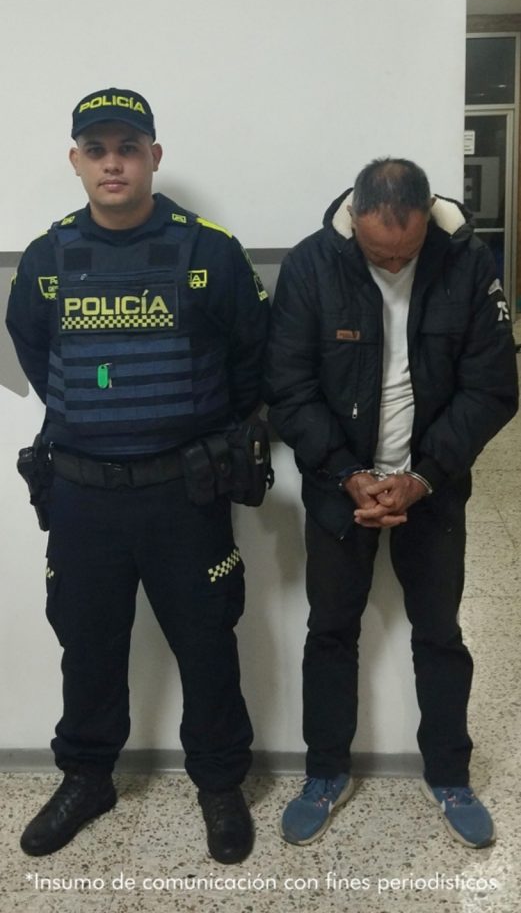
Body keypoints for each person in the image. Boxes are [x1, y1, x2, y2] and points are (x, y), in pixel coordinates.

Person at [6, 87, 270, 863]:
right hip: (83, 495)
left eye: (128, 148)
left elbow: (251, 361)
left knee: (207, 642)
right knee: (86, 644)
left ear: (154, 156)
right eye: (97, 150)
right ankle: (88, 777)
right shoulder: (48, 257)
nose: (112, 163)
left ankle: (219, 785)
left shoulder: (209, 250)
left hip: (182, 492)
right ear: (76, 162)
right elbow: (32, 348)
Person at [263, 158, 518, 849]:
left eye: (404, 254)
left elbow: (493, 387)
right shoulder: (312, 266)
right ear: (354, 220)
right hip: (337, 487)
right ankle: (323, 774)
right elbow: (286, 387)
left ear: (424, 221)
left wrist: (424, 475)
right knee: (330, 632)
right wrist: (348, 474)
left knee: (439, 635)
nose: (392, 263)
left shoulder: (466, 264)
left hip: (430, 492)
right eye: (379, 253)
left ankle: (449, 775)